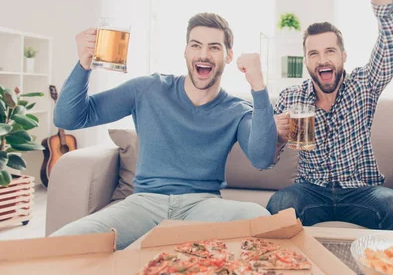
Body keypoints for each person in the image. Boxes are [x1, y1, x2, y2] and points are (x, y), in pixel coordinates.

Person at [52, 13, 277, 249]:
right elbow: (68, 117)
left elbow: (262, 158)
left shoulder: (237, 110)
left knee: (259, 218)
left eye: (214, 47)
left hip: (202, 206)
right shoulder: (149, 89)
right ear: (186, 52)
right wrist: (83, 65)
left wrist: (258, 86)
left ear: (228, 56)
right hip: (143, 205)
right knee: (62, 244)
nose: (203, 54)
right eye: (196, 45)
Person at [266, 0, 393, 231]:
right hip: (311, 190)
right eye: (314, 53)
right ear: (306, 61)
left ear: (343, 57)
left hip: (362, 192)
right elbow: (268, 161)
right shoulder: (291, 97)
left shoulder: (364, 86)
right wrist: (277, 137)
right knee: (280, 206)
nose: (323, 59)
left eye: (330, 51)